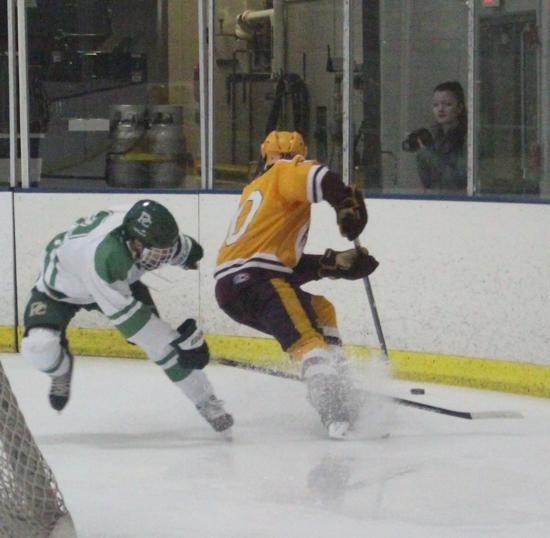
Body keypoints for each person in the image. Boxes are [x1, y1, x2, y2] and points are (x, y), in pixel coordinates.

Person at [214, 131, 379, 439]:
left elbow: (279, 265)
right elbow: (320, 177)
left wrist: (333, 263)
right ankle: (335, 412)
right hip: (258, 281)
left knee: (320, 310)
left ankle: (339, 382)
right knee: (306, 339)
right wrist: (345, 202)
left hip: (235, 288)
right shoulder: (283, 172)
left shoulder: (256, 190)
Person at [21, 199, 233, 434]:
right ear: (134, 242)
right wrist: (178, 343)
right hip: (60, 292)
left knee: (163, 347)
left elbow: (175, 247)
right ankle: (60, 372)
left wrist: (187, 256)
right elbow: (139, 329)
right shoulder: (107, 257)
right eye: (158, 253)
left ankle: (206, 402)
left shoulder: (141, 227)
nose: (162, 258)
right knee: (38, 346)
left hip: (114, 281)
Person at [406, 81, 467, 192]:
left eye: (447, 104)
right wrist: (421, 156)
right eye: (435, 105)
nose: (440, 109)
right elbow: (427, 182)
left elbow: (457, 181)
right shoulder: (433, 137)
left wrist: (427, 155)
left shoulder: (467, 139)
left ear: (459, 108)